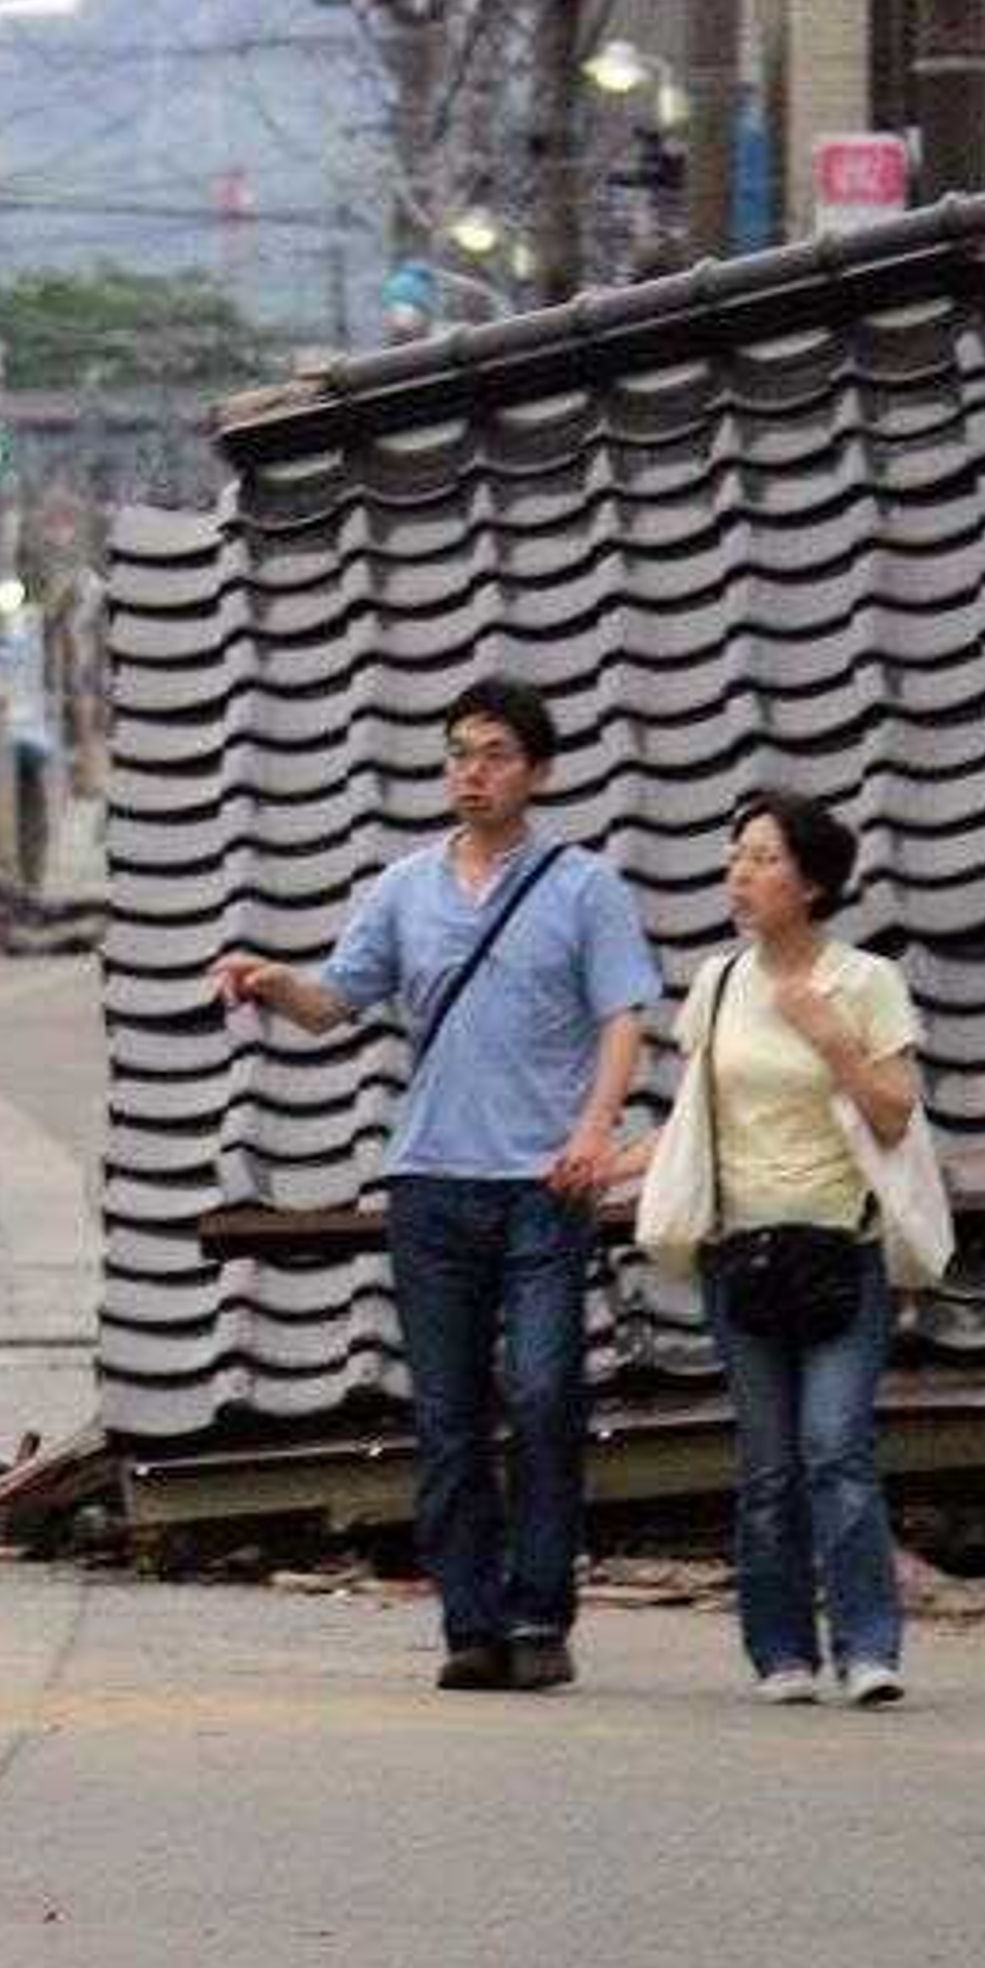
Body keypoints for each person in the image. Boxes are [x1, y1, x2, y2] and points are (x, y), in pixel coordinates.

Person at [209, 676, 660, 1694]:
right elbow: (334, 1003)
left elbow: (625, 1012)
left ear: (537, 772)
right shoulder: (405, 888)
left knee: (546, 1395)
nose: (473, 771)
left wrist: (595, 1130)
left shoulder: (583, 887)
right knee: (448, 1413)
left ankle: (541, 1614)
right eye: (460, 752)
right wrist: (273, 982)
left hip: (544, 1181)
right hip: (431, 1181)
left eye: (496, 754)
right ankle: (471, 1621)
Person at [625, 793, 925, 1709]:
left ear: (815, 881)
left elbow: (895, 1110)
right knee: (767, 1463)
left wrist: (833, 1039)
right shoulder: (717, 983)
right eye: (735, 857)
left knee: (835, 1445)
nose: (740, 875)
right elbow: (694, 1116)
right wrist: (609, 1160)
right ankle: (782, 1651)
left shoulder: (866, 982)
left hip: (841, 1246)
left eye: (761, 858)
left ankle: (869, 1647)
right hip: (743, 1251)